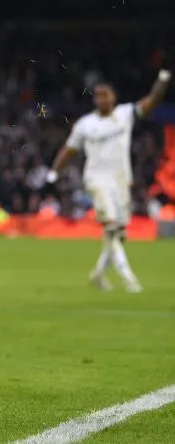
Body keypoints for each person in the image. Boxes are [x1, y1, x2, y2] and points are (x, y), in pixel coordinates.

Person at [47, 70, 171, 292]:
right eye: (98, 95)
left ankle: (98, 274)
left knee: (118, 233)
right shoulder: (85, 124)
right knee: (111, 226)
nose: (102, 99)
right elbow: (69, 149)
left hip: (121, 180)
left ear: (114, 97)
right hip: (96, 180)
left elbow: (152, 101)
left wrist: (161, 82)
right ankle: (128, 277)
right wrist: (55, 171)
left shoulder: (125, 114)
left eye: (106, 95)